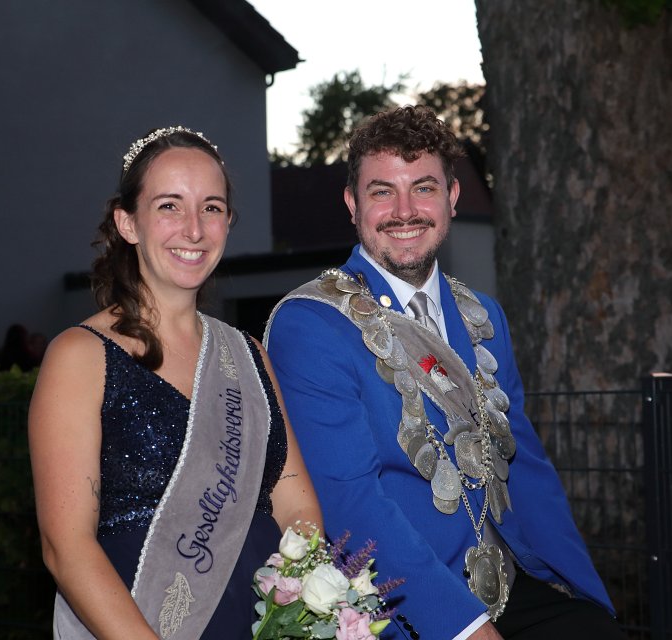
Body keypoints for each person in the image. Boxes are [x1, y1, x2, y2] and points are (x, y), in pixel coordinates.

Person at [265, 106, 622, 640]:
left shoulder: (482, 316)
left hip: (508, 585)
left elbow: (525, 468)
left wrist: (588, 597)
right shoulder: (312, 324)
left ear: (452, 197)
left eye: (424, 188)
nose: (404, 211)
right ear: (353, 205)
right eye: (382, 191)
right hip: (397, 605)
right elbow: (350, 503)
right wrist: (464, 627)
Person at [28, 127, 322, 639]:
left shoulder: (249, 356)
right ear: (127, 222)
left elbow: (295, 502)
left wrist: (301, 615)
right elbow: (66, 547)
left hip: (262, 625)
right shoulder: (79, 357)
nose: (194, 229)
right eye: (169, 206)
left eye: (212, 208)